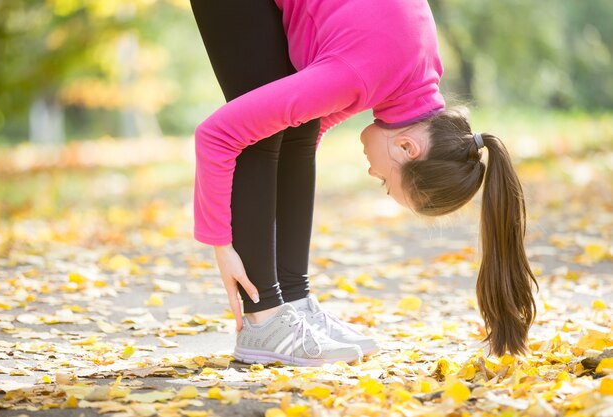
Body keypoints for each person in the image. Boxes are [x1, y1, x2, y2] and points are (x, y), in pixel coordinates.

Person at [189, 0, 538, 365]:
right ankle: (264, 321)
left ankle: (292, 301)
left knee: (294, 130)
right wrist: (221, 243)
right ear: (407, 147)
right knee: (258, 135)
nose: (374, 174)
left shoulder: (416, 67)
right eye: (387, 181)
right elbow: (216, 135)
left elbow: (309, 124)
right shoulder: (358, 76)